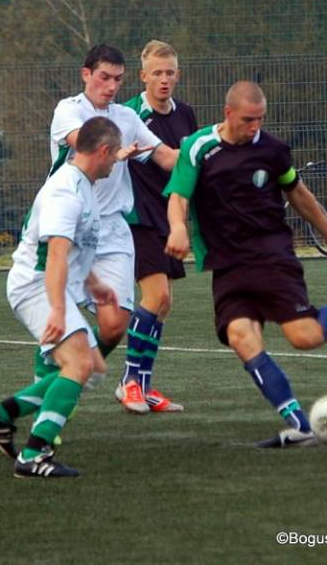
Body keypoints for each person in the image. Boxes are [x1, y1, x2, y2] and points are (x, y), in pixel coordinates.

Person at [163, 81, 327, 447]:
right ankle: (301, 426)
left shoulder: (272, 150)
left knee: (303, 337)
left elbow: (297, 193)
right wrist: (177, 228)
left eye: (260, 119)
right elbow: (178, 197)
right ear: (228, 114)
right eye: (248, 119)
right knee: (241, 337)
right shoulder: (198, 147)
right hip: (226, 264)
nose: (255, 127)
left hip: (271, 256)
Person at [0, 117, 130, 478]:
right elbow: (57, 254)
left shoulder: (82, 183)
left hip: (48, 285)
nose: (116, 162)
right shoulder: (67, 190)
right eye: (115, 155)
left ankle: (2, 414)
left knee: (93, 368)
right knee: (78, 364)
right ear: (103, 151)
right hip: (36, 285)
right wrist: (58, 311)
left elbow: (74, 249)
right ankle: (34, 454)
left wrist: (93, 283)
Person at [33, 44, 178, 399]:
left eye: (117, 79)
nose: (111, 86)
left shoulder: (127, 118)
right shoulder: (69, 110)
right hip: (71, 226)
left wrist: (215, 150)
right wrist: (116, 151)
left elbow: (165, 157)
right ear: (86, 74)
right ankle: (51, 382)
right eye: (103, 77)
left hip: (112, 229)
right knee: (60, 322)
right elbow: (84, 144)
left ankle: (75, 368)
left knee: (115, 326)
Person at [115, 40, 197, 414]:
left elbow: (189, 167)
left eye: (170, 73)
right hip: (137, 217)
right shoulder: (128, 114)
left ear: (177, 75)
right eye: (157, 73)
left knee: (164, 305)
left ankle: (144, 386)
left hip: (170, 218)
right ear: (143, 76)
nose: (164, 80)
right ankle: (128, 382)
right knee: (156, 297)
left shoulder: (186, 115)